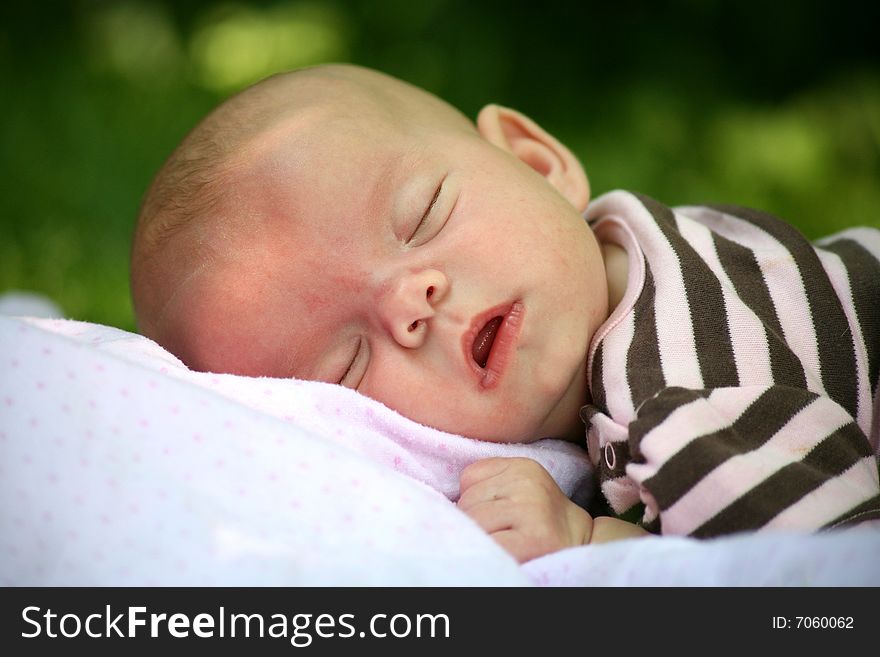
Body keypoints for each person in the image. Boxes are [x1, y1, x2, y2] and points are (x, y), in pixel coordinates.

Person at [131, 63, 880, 563]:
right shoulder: (649, 244)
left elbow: (819, 576)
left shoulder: (681, 391)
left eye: (422, 215)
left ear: (535, 161)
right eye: (348, 363)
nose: (409, 301)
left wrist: (591, 538)